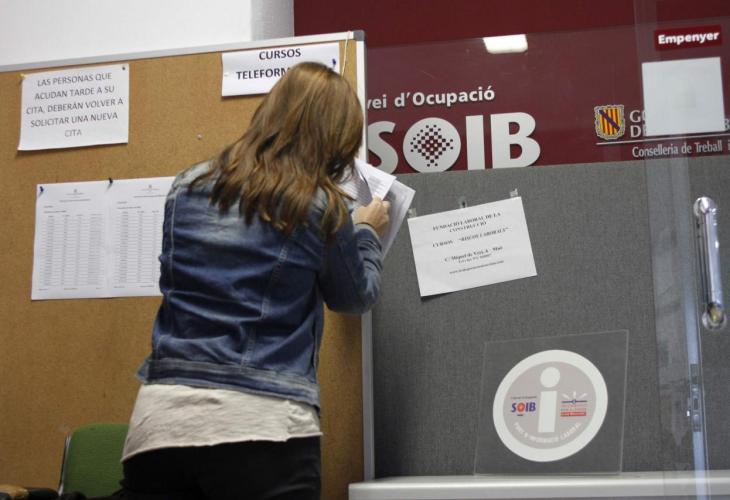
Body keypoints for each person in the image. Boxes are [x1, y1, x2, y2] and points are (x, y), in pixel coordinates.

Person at [118, 62, 390, 500]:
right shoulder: (318, 204)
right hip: (262, 424)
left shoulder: (187, 185)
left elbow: (176, 282)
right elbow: (355, 297)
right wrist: (365, 233)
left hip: (161, 423)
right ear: (335, 137)